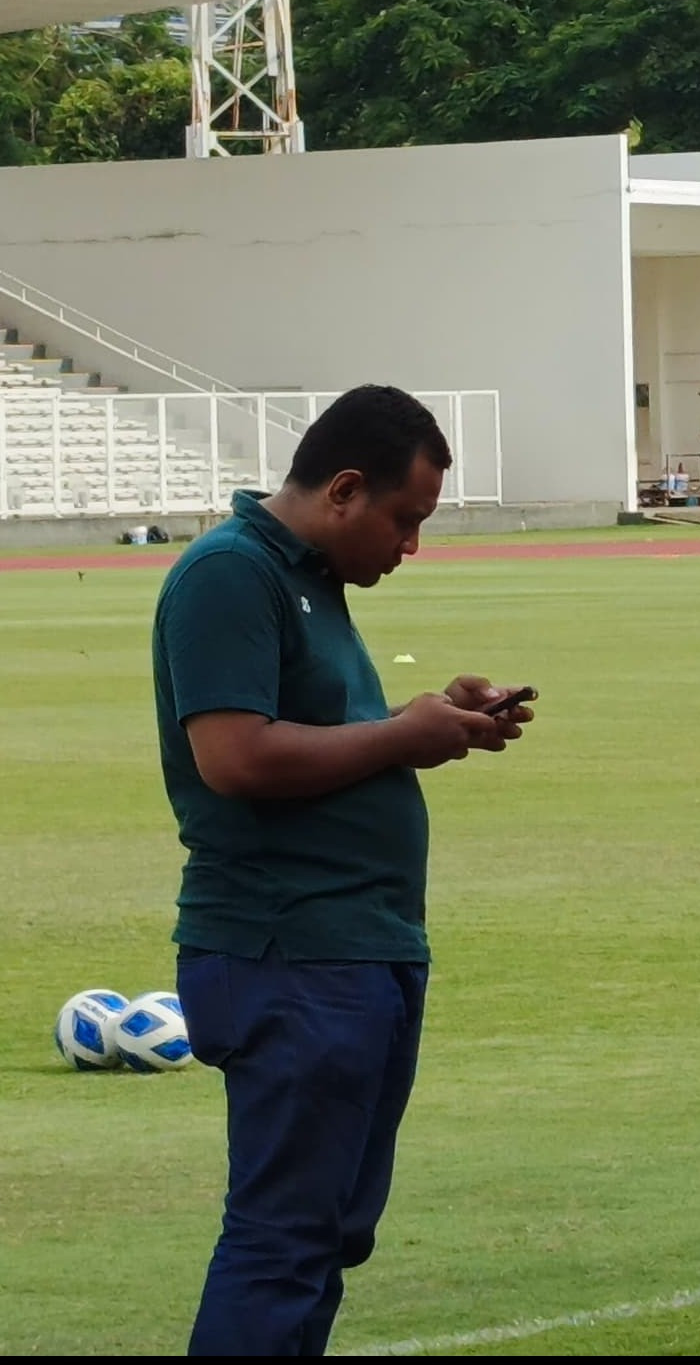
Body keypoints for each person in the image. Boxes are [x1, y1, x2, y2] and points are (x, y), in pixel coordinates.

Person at [153, 384, 537, 1355]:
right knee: (283, 1237)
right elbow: (233, 757)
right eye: (404, 520)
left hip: (353, 950)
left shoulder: (308, 578)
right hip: (290, 950)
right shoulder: (231, 573)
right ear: (344, 490)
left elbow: (326, 731)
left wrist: (437, 715)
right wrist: (403, 738)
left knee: (325, 1234)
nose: (410, 546)